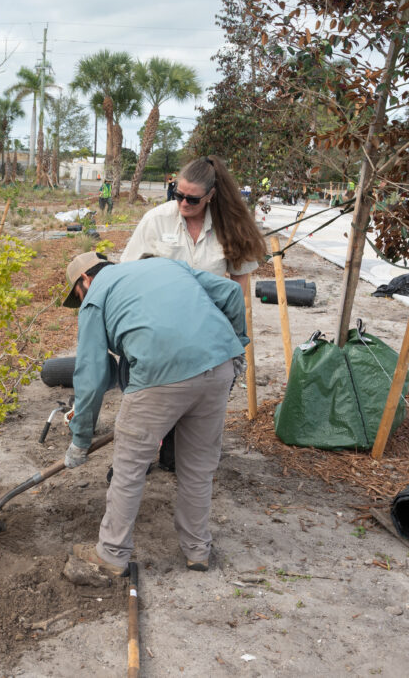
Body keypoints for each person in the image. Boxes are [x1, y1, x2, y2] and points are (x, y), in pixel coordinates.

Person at [60, 251, 248, 581]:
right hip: (220, 365)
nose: (81, 300)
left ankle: (111, 554)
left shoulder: (95, 296)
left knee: (129, 468)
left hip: (161, 375)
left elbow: (90, 374)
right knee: (198, 467)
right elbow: (232, 292)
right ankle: (197, 551)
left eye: (78, 294)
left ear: (84, 281)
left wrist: (80, 439)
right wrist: (236, 345)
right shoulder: (164, 264)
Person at [120, 156, 265, 472]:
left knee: (181, 454)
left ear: (211, 195)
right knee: (147, 405)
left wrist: (234, 344)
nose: (183, 202)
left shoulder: (230, 226)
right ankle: (135, 458)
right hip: (158, 330)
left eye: (193, 199)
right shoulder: (156, 221)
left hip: (206, 336)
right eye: (177, 194)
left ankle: (173, 451)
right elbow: (126, 275)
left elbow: (239, 291)